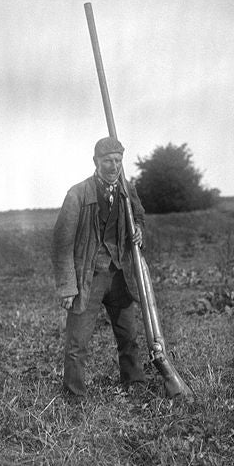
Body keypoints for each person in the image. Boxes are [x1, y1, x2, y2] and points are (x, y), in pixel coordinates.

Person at [51, 136, 147, 397]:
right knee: (77, 343)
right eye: (108, 161)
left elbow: (138, 216)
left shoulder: (128, 191)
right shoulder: (78, 194)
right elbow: (61, 243)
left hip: (120, 276)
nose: (113, 166)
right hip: (87, 278)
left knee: (128, 336)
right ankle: (74, 396)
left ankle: (135, 385)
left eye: (118, 161)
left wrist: (138, 230)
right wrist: (68, 288)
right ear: (96, 162)